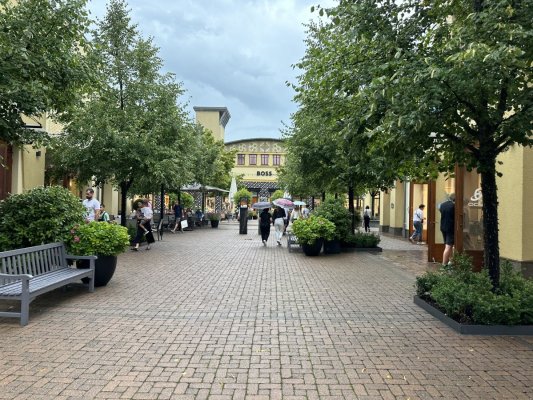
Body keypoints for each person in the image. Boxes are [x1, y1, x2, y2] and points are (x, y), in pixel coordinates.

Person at [440, 193, 455, 265]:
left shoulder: (442, 205)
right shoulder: (453, 206)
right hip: (450, 228)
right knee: (448, 246)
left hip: (443, 227)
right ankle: (444, 264)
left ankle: (450, 261)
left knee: (448, 245)